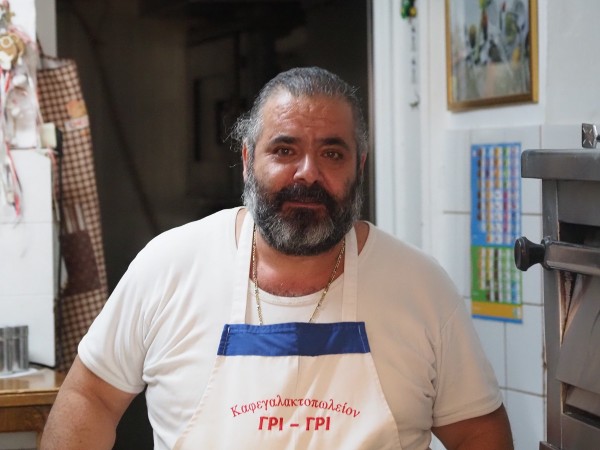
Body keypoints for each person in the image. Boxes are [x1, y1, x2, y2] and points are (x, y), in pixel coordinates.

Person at [41, 66, 513, 450]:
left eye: (332, 153)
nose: (308, 173)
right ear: (248, 160)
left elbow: (477, 433)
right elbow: (91, 397)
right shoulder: (169, 267)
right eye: (285, 150)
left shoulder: (420, 286)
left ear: (360, 166)